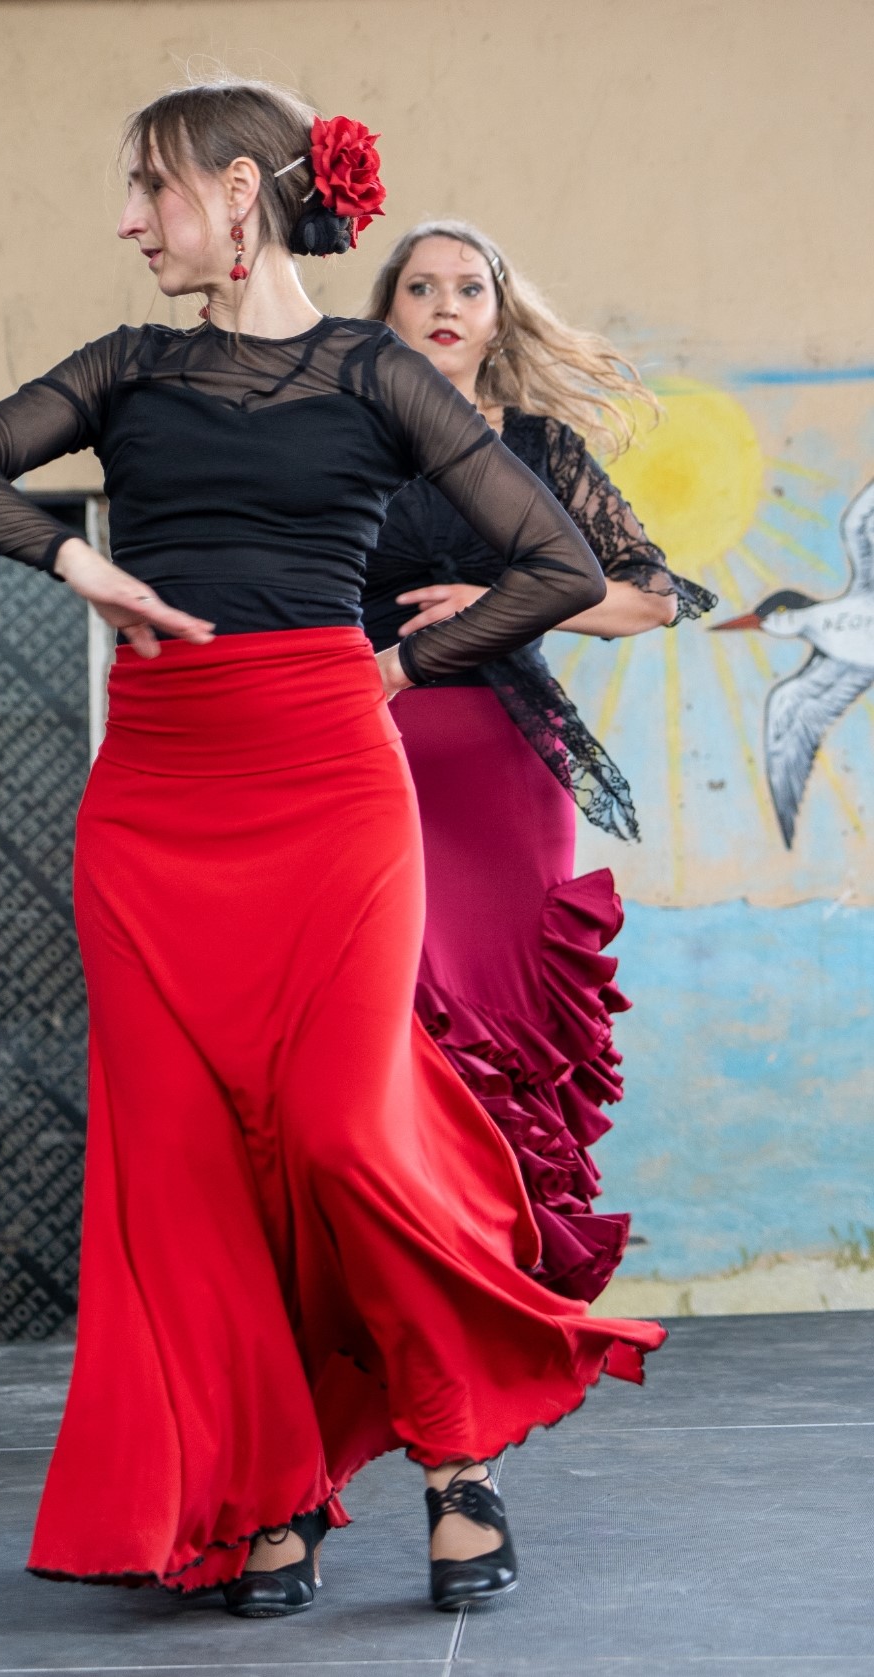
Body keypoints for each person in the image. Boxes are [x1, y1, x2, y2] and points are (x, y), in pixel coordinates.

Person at [0, 80, 665, 1619]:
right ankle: (270, 1487)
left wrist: (399, 666)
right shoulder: (128, 365)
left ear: (240, 191)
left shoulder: (377, 374)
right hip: (154, 799)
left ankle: (460, 1450)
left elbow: (555, 561)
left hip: (330, 783)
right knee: (190, 1170)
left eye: (154, 188)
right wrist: (77, 563)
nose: (132, 221)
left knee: (341, 1127)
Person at [362, 223, 715, 1302]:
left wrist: (509, 601)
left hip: (505, 776)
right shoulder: (341, 445)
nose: (445, 304)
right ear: (386, 313)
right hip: (373, 760)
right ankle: (412, 1283)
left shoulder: (540, 448)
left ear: (498, 315)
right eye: (421, 286)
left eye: (469, 287)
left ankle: (509, 1282)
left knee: (508, 1029)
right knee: (392, 1027)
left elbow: (653, 598)